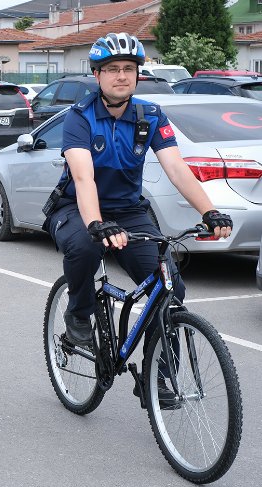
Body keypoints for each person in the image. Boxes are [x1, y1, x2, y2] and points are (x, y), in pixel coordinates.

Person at [44, 33, 232, 397]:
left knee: (170, 286)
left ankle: (158, 378)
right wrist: (97, 223)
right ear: (96, 75)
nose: (121, 76)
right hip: (77, 207)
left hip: (129, 212)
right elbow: (83, 177)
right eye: (112, 69)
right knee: (85, 246)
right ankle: (79, 314)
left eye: (128, 69)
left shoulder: (150, 115)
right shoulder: (79, 117)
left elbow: (177, 169)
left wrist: (210, 210)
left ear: (137, 74)